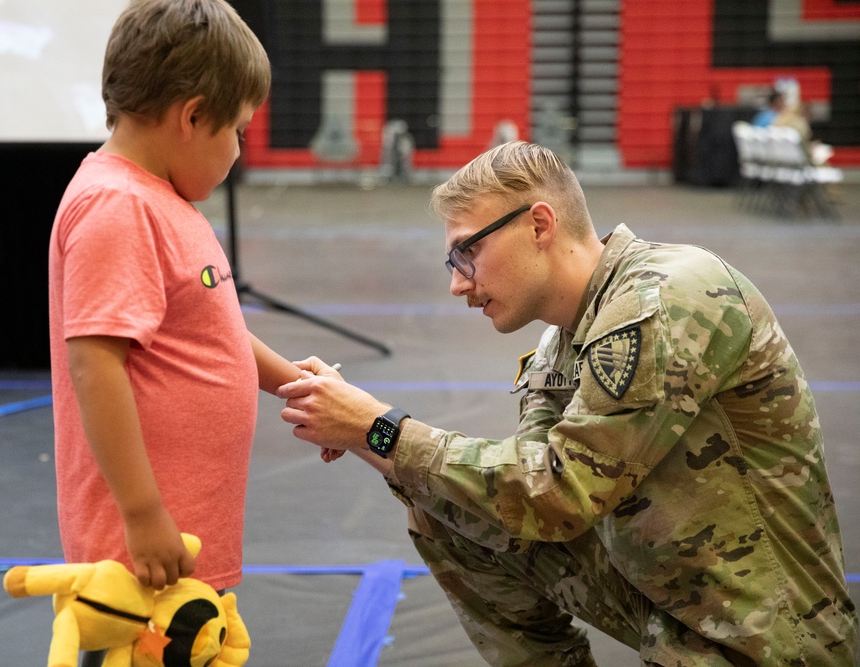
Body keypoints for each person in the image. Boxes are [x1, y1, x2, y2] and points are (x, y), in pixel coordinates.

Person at [278, 141, 858, 666]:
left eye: (466, 253)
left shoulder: (664, 297)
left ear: (538, 224)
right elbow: (514, 491)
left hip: (764, 635)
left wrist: (379, 429)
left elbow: (558, 495)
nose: (458, 283)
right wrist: (356, 426)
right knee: (447, 509)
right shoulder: (561, 339)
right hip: (676, 596)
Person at [48, 0, 301, 609]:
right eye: (238, 130)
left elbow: (210, 330)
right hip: (142, 558)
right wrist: (141, 513)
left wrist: (295, 384)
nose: (240, 151)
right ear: (191, 116)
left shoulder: (159, 200)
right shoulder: (118, 207)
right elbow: (96, 363)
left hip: (184, 542)